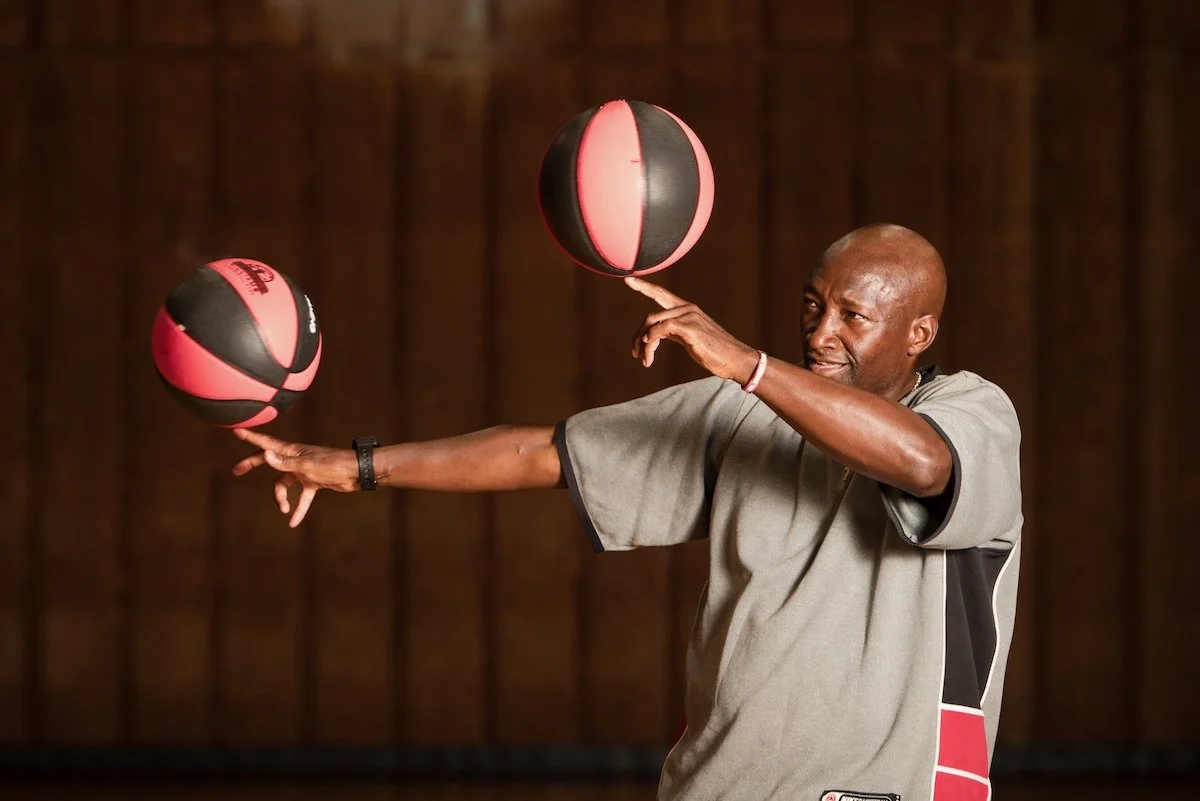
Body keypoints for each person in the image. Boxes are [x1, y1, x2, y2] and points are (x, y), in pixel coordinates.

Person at [231, 223, 1022, 801]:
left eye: (853, 316)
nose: (820, 332)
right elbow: (549, 453)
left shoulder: (973, 413)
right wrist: (361, 467)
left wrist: (747, 365)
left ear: (919, 333)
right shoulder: (742, 410)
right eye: (814, 305)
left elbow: (924, 463)